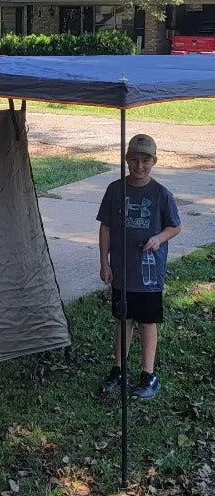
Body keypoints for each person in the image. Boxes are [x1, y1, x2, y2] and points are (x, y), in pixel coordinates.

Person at [96, 133, 181, 401]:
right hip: (122, 271)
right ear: (126, 160)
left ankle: (148, 375)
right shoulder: (114, 190)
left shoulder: (161, 194)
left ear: (154, 161)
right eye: (134, 160)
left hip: (149, 273)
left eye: (145, 160)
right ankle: (118, 369)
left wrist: (158, 238)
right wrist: (104, 262)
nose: (139, 165)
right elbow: (106, 227)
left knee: (147, 322)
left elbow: (175, 226)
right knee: (124, 319)